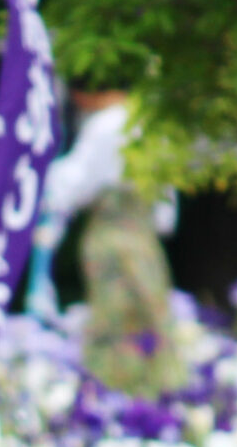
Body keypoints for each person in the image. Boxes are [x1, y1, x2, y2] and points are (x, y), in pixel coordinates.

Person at [31, 81, 181, 396]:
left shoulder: (104, 124)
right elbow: (166, 213)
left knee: (115, 323)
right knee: (149, 314)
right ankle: (157, 390)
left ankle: (118, 393)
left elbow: (71, 187)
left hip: (111, 233)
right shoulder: (152, 122)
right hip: (145, 238)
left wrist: (43, 174)